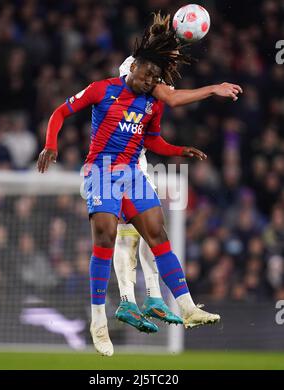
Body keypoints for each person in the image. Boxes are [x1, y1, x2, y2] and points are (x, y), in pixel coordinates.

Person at [37, 26, 221, 357]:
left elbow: (151, 140)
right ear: (132, 67)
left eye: (155, 79)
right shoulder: (101, 90)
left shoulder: (152, 104)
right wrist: (51, 143)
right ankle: (98, 322)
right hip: (101, 172)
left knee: (157, 234)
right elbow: (60, 112)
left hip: (132, 175)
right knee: (105, 237)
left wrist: (179, 150)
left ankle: (187, 307)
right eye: (147, 74)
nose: (150, 82)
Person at [113, 12, 243, 333]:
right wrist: (214, 88)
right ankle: (132, 300)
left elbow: (155, 133)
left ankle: (156, 299)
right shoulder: (134, 69)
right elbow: (171, 97)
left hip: (135, 161)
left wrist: (177, 149)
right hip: (112, 166)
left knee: (149, 233)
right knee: (135, 234)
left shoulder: (152, 82)